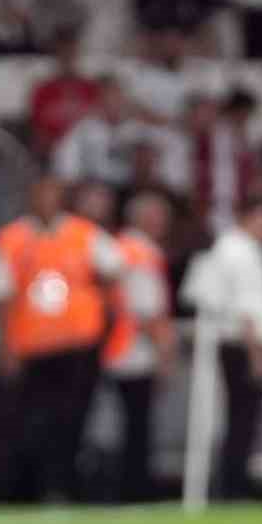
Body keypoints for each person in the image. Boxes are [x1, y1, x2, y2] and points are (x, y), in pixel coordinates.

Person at [0, 173, 122, 503]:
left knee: (71, 421)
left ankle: (61, 487)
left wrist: (102, 315)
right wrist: (7, 345)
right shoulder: (13, 239)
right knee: (26, 423)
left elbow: (115, 270)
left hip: (77, 346)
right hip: (30, 347)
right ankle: (22, 490)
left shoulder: (84, 234)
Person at [181, 196, 262, 500]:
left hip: (243, 344)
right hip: (244, 346)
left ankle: (234, 484)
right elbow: (245, 309)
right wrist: (257, 352)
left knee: (243, 419)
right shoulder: (238, 251)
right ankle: (233, 487)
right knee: (242, 419)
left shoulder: (241, 249)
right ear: (248, 218)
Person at [104, 191, 176, 501]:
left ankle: (126, 486)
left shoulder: (119, 246)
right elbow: (147, 309)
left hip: (116, 345)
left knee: (126, 424)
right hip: (134, 348)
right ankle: (134, 489)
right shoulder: (141, 252)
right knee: (137, 425)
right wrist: (164, 352)